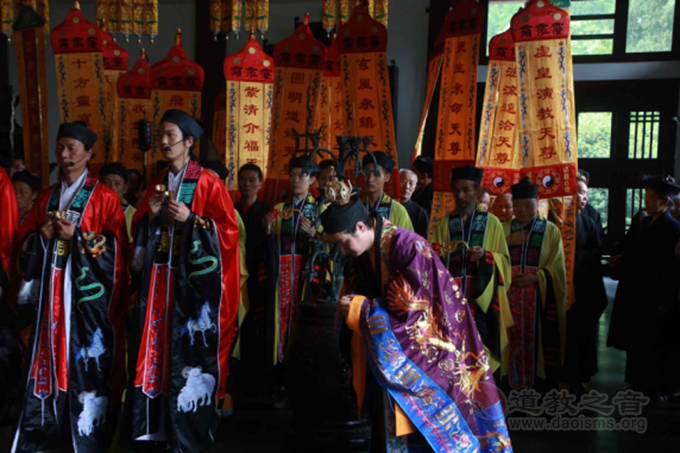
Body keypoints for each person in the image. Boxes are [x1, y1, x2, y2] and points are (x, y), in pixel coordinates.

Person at [322, 189, 512, 452]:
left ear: (360, 226)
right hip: (395, 355)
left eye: (343, 242)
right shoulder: (365, 251)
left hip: (439, 349)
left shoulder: (407, 246)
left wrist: (362, 308)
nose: (342, 249)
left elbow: (416, 317)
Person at [126, 110, 240, 451]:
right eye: (160, 135)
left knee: (185, 353)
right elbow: (140, 235)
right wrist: (148, 215)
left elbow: (229, 233)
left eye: (170, 135)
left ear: (189, 142)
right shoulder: (157, 183)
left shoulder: (207, 181)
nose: (163, 142)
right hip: (158, 283)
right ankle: (155, 427)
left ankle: (187, 431)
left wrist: (192, 219)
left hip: (190, 288)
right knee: (156, 349)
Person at [11, 122, 128, 452]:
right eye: (60, 147)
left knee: (84, 366)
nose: (64, 155)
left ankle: (84, 435)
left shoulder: (104, 197)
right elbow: (25, 241)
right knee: (47, 362)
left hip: (85, 303)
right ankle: (45, 431)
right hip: (50, 300)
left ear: (89, 154)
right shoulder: (47, 196)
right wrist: (40, 238)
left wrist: (78, 237)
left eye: (71, 148)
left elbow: (118, 248)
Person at [431, 165, 513, 374]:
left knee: (480, 349)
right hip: (450, 300)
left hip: (480, 299)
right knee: (452, 352)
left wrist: (486, 257)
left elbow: (504, 261)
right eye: (456, 190)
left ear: (477, 191)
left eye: (466, 190)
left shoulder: (491, 223)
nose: (461, 195)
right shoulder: (444, 224)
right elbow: (431, 258)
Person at [608, 175, 680, 401]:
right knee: (637, 339)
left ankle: (656, 386)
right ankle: (637, 382)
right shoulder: (642, 222)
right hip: (635, 291)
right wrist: (620, 257)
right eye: (646, 197)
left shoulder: (673, 228)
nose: (646, 202)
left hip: (655, 292)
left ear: (665, 201)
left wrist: (665, 300)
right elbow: (630, 249)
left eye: (651, 198)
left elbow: (671, 268)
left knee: (655, 341)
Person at [503, 177, 566, 391]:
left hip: (537, 300)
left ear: (537, 203)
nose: (522, 210)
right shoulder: (502, 229)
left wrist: (537, 277)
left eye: (528, 205)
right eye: (517, 205)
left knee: (537, 347)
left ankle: (538, 389)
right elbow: (490, 258)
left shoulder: (550, 231)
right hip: (508, 298)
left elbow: (557, 269)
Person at [262, 156, 324, 370]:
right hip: (282, 276)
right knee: (280, 322)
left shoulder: (320, 210)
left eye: (302, 175)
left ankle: (301, 371)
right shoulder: (279, 209)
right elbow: (270, 247)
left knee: (303, 322)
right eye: (293, 175)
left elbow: (330, 246)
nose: (296, 179)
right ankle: (279, 371)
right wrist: (268, 232)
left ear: (313, 180)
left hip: (307, 276)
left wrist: (316, 233)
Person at [564, 175, 608, 394]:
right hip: (562, 284)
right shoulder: (558, 220)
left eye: (586, 194)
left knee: (582, 334)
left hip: (584, 286)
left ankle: (580, 374)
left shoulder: (589, 220)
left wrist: (573, 260)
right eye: (579, 192)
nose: (583, 197)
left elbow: (597, 252)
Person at [234, 163, 273, 396]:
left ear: (260, 183)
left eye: (251, 180)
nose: (247, 184)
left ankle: (259, 382)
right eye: (243, 180)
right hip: (236, 276)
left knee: (259, 325)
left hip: (258, 276)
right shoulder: (231, 209)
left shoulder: (267, 211)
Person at [362, 152, 413, 231]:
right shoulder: (355, 205)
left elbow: (406, 241)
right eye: (367, 173)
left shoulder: (399, 211)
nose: (370, 179)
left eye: (376, 174)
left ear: (387, 177)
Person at [99, 162, 136, 241]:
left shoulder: (133, 214)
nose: (111, 188)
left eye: (117, 183)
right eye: (107, 182)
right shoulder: (91, 209)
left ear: (125, 188)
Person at [399, 168, 429, 238]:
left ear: (415, 187)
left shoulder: (420, 213)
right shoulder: (387, 207)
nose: (407, 186)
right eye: (403, 181)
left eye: (411, 183)